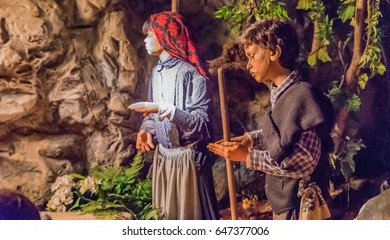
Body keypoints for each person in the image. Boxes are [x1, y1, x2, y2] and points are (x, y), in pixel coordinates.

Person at [208, 19, 334, 220]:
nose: (248, 64)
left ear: (274, 52)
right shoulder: (280, 93)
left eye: (252, 56)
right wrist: (252, 138)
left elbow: (304, 162)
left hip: (298, 206)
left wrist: (248, 156)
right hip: (285, 202)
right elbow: (286, 132)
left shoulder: (302, 96)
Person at [129, 11, 219, 220]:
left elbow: (201, 124)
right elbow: (153, 111)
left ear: (165, 35)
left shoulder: (191, 73)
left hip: (188, 160)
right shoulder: (157, 71)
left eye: (150, 34)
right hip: (165, 159)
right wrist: (146, 129)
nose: (145, 39)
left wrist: (165, 110)